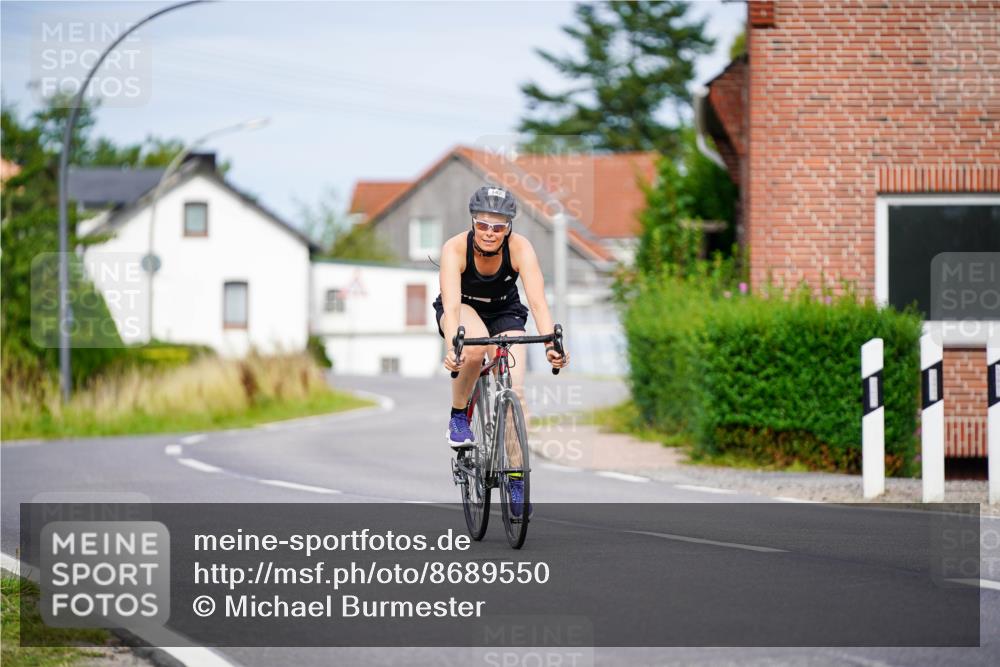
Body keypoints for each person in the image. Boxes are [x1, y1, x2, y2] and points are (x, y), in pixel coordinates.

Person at [433, 186, 569, 515]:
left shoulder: (520, 248)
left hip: (505, 311)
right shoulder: (455, 249)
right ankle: (458, 416)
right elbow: (451, 308)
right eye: (483, 225)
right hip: (464, 310)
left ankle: (517, 481)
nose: (490, 233)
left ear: (509, 227)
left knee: (515, 393)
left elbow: (537, 302)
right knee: (475, 348)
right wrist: (455, 345)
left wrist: (552, 343)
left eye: (499, 226)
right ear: (473, 223)